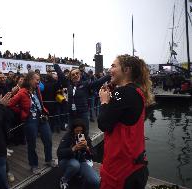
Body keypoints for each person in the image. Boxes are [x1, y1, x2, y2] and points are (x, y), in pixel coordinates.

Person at [97, 54, 153, 189]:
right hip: (136, 165)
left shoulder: (122, 92)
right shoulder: (137, 91)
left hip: (120, 171)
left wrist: (104, 101)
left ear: (126, 70)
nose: (110, 70)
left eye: (113, 66)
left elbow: (103, 123)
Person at [8, 71, 53, 174]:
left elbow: (39, 100)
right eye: (37, 80)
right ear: (30, 80)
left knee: (48, 139)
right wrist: (22, 111)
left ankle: (49, 160)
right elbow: (10, 104)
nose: (39, 82)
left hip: (42, 117)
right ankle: (34, 165)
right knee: (32, 144)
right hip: (30, 120)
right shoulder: (22, 92)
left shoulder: (36, 89)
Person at [53, 63, 110, 135]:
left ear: (80, 75)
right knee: (71, 134)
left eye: (77, 73)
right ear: (70, 77)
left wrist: (110, 75)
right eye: (73, 75)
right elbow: (60, 74)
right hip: (72, 114)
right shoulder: (67, 84)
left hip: (83, 114)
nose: (75, 75)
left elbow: (98, 82)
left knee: (84, 134)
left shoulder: (85, 84)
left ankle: (85, 145)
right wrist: (55, 64)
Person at [57, 118, 99, 189]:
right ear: (73, 130)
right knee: (75, 165)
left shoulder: (85, 137)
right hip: (67, 160)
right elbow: (59, 153)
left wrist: (87, 148)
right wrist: (73, 149)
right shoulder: (68, 137)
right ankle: (64, 179)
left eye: (81, 131)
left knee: (95, 180)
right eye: (77, 131)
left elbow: (94, 154)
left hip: (81, 161)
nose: (79, 133)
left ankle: (79, 177)